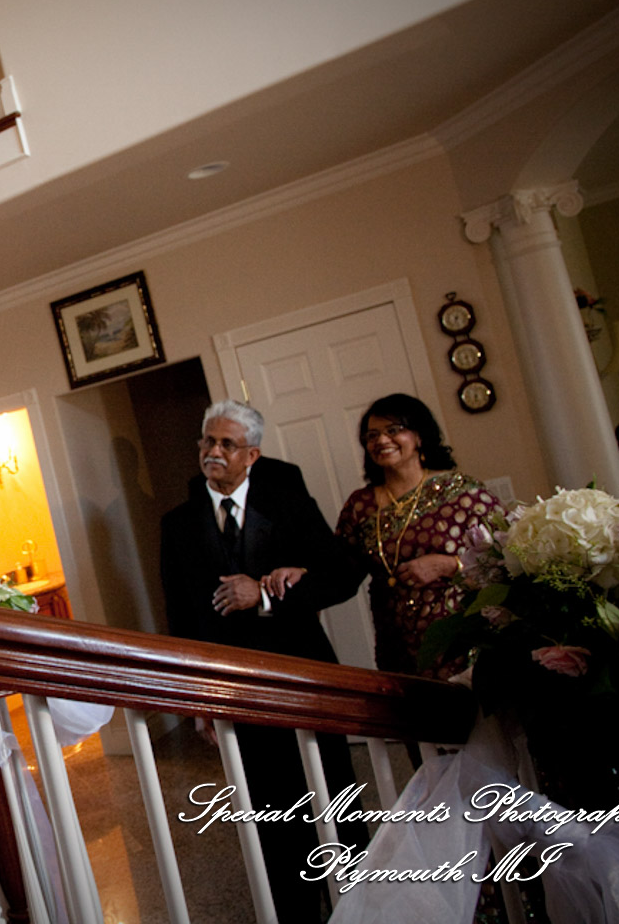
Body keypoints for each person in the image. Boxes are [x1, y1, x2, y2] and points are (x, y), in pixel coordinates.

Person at [160, 400, 366, 924]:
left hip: (304, 673)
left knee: (335, 797)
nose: (213, 452)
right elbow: (181, 620)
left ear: (252, 454)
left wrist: (269, 595)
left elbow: (341, 574)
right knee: (270, 810)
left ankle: (360, 904)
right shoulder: (177, 525)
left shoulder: (287, 499)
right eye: (207, 441)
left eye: (227, 444)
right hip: (236, 687)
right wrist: (197, 699)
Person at [332, 393, 501, 681]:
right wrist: (299, 570)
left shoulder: (462, 493)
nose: (381, 441)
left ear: (420, 436)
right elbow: (339, 568)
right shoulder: (360, 506)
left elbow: (504, 559)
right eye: (372, 435)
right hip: (396, 646)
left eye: (394, 430)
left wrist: (449, 565)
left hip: (462, 639)